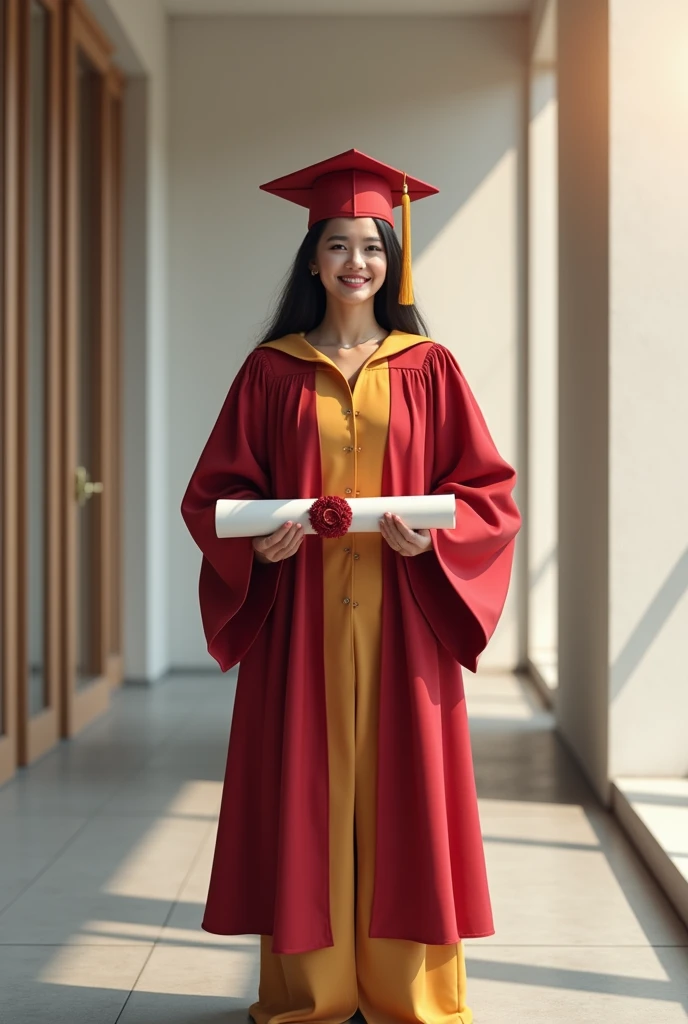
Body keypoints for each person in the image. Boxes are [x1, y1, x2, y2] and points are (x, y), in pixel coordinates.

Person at [180, 148, 521, 1024]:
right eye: (337, 246)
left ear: (391, 258)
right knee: (307, 793)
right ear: (312, 259)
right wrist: (260, 548)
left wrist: (430, 542)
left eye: (371, 246)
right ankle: (313, 992)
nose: (356, 263)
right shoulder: (270, 371)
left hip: (405, 612)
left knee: (406, 791)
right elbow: (216, 493)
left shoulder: (430, 366)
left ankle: (409, 993)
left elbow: (488, 493)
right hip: (301, 616)